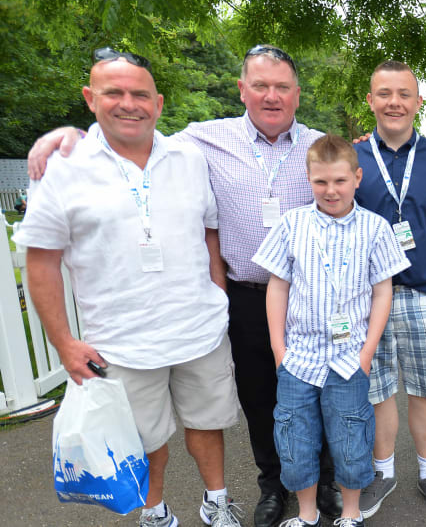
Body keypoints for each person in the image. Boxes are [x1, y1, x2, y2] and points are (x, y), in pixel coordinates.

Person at [26, 45, 340, 527]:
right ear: (242, 90)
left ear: (298, 94)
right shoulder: (201, 142)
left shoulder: (319, 145)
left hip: (307, 300)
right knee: (260, 402)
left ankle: (324, 485)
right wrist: (68, 135)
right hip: (247, 299)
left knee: (315, 398)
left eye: (282, 87)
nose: (271, 96)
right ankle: (272, 487)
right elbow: (129, 130)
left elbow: (354, 170)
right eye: (260, 85)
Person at [14, 48, 242, 527]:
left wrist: (217, 297)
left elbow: (210, 232)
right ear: (89, 98)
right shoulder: (62, 166)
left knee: (209, 424)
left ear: (158, 102)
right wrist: (64, 344)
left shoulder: (189, 155)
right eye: (113, 93)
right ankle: (154, 513)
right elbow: (41, 261)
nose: (128, 104)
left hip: (198, 330)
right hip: (121, 341)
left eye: (140, 94)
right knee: (144, 438)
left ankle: (217, 503)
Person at [253, 134, 411, 527]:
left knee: (351, 437)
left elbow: (382, 292)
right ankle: (306, 515)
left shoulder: (375, 228)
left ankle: (351, 513)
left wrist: (367, 353)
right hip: (299, 358)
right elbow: (278, 286)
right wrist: (279, 350)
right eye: (321, 182)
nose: (331, 190)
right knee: (295, 439)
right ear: (309, 180)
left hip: (349, 357)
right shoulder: (292, 224)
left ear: (357, 178)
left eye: (340, 181)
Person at [354, 61, 426, 520]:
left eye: (404, 93)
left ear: (419, 102)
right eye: (384, 93)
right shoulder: (354, 158)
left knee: (425, 393)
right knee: (376, 393)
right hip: (366, 302)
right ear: (371, 101)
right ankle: (382, 473)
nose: (394, 102)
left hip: (425, 298)